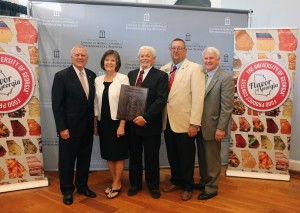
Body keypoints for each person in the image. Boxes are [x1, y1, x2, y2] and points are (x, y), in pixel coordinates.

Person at [160, 38, 205, 201]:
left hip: (186, 123)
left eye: (180, 48)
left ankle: (187, 186)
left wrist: (194, 123)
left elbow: (198, 98)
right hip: (168, 121)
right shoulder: (164, 69)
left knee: (186, 156)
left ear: (185, 51)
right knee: (172, 154)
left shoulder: (195, 69)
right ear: (170, 50)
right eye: (173, 48)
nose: (176, 51)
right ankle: (176, 180)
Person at [51, 44, 97, 205]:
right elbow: (57, 105)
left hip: (87, 129)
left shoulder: (92, 76)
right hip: (69, 129)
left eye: (83, 55)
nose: (80, 57)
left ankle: (83, 186)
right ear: (71, 57)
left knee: (85, 160)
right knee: (67, 162)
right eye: (77, 55)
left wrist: (94, 125)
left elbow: (91, 104)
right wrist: (62, 128)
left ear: (87, 58)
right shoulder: (61, 76)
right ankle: (67, 190)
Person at [127, 46, 168, 199]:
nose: (144, 58)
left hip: (150, 125)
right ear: (139, 58)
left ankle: (153, 186)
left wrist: (145, 118)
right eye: (142, 56)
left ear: (153, 59)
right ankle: (135, 184)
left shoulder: (161, 76)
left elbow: (161, 100)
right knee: (135, 157)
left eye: (148, 56)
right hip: (132, 124)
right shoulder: (131, 74)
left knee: (151, 157)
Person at [196, 47, 234, 200]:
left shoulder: (225, 78)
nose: (208, 61)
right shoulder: (200, 74)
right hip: (198, 125)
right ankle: (205, 181)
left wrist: (221, 128)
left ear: (218, 60)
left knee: (212, 159)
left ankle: (211, 188)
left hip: (213, 126)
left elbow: (227, 107)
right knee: (203, 157)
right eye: (205, 58)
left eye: (211, 58)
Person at [94, 50, 129, 199]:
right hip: (104, 122)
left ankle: (116, 182)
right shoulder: (97, 80)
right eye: (107, 60)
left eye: (112, 60)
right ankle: (116, 181)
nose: (109, 62)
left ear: (117, 63)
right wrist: (95, 123)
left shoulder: (123, 78)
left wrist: (122, 125)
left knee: (118, 154)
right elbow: (95, 103)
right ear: (103, 62)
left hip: (117, 122)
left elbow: (126, 103)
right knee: (109, 154)